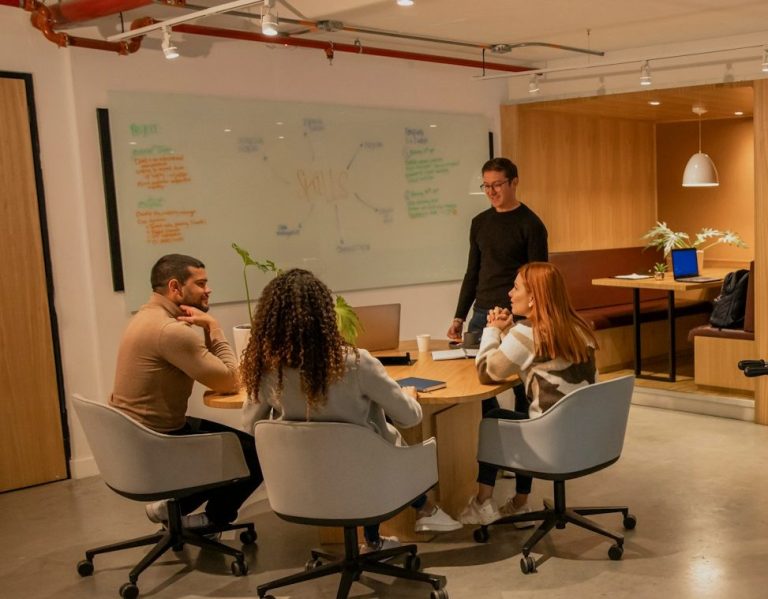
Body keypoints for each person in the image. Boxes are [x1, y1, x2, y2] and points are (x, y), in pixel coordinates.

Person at [240, 268, 461, 552]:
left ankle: (384, 535)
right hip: (366, 476)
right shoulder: (355, 363)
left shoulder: (266, 370)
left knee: (362, 440)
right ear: (324, 315)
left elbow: (250, 426)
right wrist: (408, 396)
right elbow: (410, 418)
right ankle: (420, 513)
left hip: (303, 481)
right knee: (374, 436)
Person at [110, 253, 263, 530]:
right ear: (175, 287)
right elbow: (230, 381)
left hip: (133, 436)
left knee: (235, 446)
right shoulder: (170, 331)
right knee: (256, 453)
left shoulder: (146, 317)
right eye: (201, 283)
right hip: (156, 441)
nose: (208, 290)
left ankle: (174, 508)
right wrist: (213, 327)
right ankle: (212, 521)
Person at [459, 262, 598, 526]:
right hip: (589, 437)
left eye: (516, 288)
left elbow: (487, 371)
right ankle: (520, 503)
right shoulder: (579, 327)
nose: (510, 294)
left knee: (494, 418)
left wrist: (492, 330)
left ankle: (482, 503)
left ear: (533, 297)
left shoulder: (527, 333)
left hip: (550, 439)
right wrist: (508, 331)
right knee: (524, 411)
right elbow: (530, 350)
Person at [447, 157, 548, 414]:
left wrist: (535, 318)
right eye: (486, 186)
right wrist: (459, 316)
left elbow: (539, 278)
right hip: (482, 314)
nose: (491, 191)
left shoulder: (531, 224)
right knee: (476, 377)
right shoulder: (479, 222)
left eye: (497, 185)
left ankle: (527, 427)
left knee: (521, 384)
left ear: (514, 183)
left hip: (517, 316)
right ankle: (489, 426)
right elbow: (472, 272)